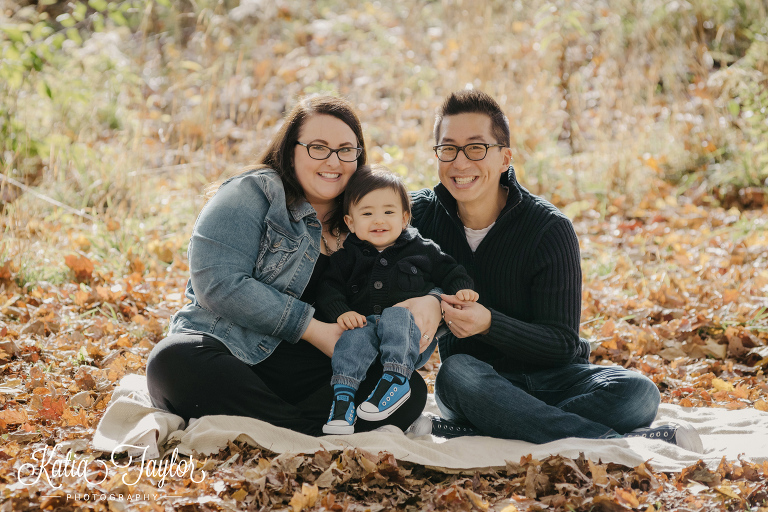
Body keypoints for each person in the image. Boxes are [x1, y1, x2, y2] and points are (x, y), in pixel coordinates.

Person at [403, 90, 702, 452]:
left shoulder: (548, 228)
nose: (460, 163)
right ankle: (615, 443)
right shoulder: (417, 218)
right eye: (448, 149)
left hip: (556, 379)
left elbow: (563, 345)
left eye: (476, 148)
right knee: (454, 374)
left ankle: (479, 431)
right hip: (477, 382)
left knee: (639, 393)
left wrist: (490, 324)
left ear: (505, 158)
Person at [146, 95, 429, 437]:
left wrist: (429, 304)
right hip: (231, 351)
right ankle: (304, 432)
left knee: (408, 387)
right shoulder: (253, 193)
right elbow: (218, 282)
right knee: (171, 361)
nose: (333, 161)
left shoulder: (369, 220)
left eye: (345, 150)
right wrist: (313, 329)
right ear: (290, 150)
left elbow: (420, 275)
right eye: (318, 147)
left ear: (359, 157)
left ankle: (281, 429)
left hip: (313, 373)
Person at [317, 165, 477, 434]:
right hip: (369, 333)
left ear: (404, 218)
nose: (379, 220)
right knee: (352, 336)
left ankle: (397, 379)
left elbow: (450, 269)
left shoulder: (421, 249)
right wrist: (341, 311)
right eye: (367, 214)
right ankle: (343, 401)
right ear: (350, 222)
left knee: (396, 314)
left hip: (409, 336)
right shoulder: (347, 256)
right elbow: (328, 287)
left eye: (388, 213)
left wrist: (462, 289)